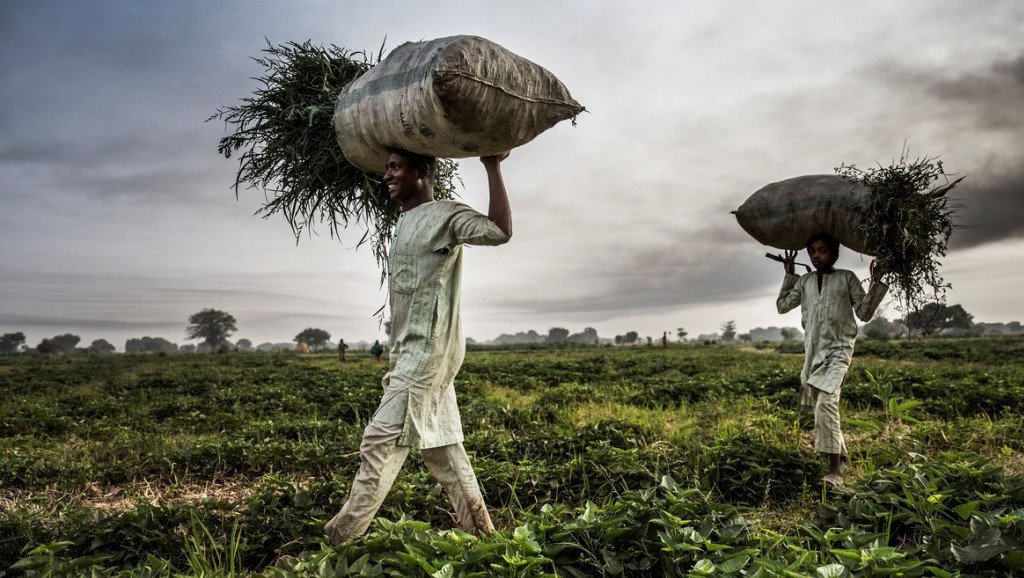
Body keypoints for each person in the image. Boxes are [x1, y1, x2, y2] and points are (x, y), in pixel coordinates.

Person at [324, 148, 512, 545]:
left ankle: (339, 542)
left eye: (396, 167)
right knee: (443, 449)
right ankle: (486, 538)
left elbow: (499, 230)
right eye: (386, 168)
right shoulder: (402, 222)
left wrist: (491, 165)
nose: (387, 175)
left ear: (423, 172)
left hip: (428, 352)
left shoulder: (446, 215)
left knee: (379, 442)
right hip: (406, 351)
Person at [776, 232, 888, 488]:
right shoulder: (803, 282)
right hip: (813, 352)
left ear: (835, 253)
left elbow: (864, 312)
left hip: (839, 349)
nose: (816, 256)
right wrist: (789, 275)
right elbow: (782, 306)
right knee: (820, 402)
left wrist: (876, 283)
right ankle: (843, 454)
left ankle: (835, 471)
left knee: (826, 402)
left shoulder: (846, 278)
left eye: (822, 250)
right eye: (812, 251)